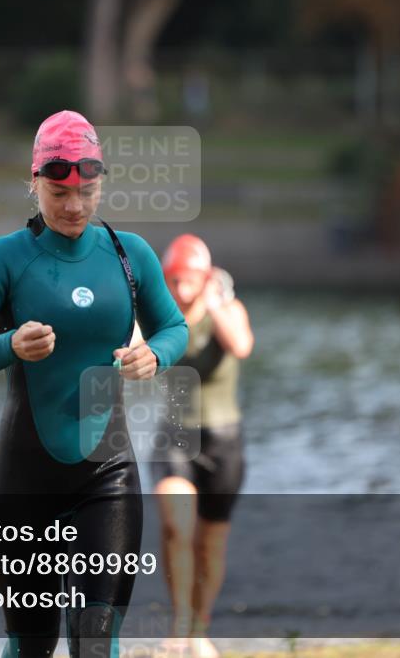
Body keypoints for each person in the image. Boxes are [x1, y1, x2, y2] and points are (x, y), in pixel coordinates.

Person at [0, 110, 188, 658]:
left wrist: (156, 355)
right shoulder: (3, 259)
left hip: (108, 475)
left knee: (96, 643)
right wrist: (8, 346)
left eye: (86, 191)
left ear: (99, 184)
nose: (73, 206)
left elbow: (174, 327)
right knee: (33, 646)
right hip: (23, 483)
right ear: (35, 183)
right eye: (58, 191)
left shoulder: (128, 255)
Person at [151, 234, 253, 658]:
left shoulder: (227, 311)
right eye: (173, 280)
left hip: (224, 440)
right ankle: (178, 626)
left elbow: (242, 346)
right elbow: (134, 340)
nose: (181, 288)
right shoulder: (161, 318)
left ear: (206, 277)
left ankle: (199, 627)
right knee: (177, 526)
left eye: (189, 279)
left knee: (211, 543)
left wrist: (213, 303)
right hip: (175, 438)